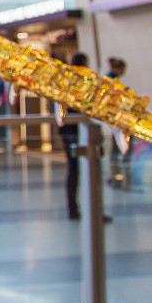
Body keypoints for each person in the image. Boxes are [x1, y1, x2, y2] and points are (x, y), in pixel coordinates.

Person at [58, 52, 90, 220]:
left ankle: (78, 207)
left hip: (72, 131)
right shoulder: (76, 83)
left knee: (77, 170)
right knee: (75, 170)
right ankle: (74, 207)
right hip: (73, 132)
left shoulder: (67, 80)